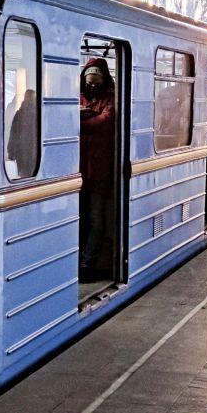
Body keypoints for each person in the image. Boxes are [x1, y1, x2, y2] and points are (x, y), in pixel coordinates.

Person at [79, 58, 115, 276]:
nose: (92, 86)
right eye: (89, 83)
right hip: (79, 171)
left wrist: (82, 119)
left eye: (96, 83)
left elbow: (105, 122)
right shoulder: (79, 97)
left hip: (99, 171)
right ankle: (80, 258)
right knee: (82, 216)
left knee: (95, 216)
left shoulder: (111, 100)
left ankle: (88, 262)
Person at [6, 89, 38, 179]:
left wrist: (11, 152)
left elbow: (13, 134)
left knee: (24, 176)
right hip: (33, 152)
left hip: (21, 152)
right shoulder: (38, 114)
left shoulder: (19, 114)